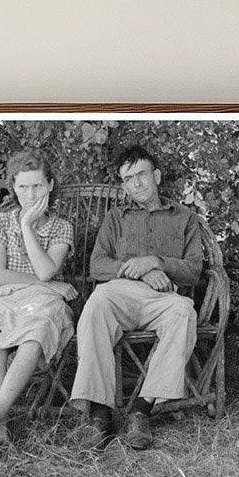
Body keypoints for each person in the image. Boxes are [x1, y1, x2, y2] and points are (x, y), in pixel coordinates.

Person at [71, 145, 202, 450]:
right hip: (120, 293)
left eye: (142, 174)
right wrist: (139, 270)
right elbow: (97, 265)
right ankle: (100, 415)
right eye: (129, 179)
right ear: (124, 185)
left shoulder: (184, 217)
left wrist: (157, 261)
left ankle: (141, 410)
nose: (137, 183)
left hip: (164, 296)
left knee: (184, 313)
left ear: (156, 176)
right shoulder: (117, 217)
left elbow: (194, 270)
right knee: (96, 305)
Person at [0, 150, 76, 449]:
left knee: (36, 332)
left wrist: (27, 226)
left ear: (50, 185)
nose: (30, 194)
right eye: (23, 187)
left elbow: (45, 271)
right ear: (13, 187)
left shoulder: (61, 227)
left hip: (41, 300)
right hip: (2, 296)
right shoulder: (0, 222)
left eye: (38, 186)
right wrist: (54, 285)